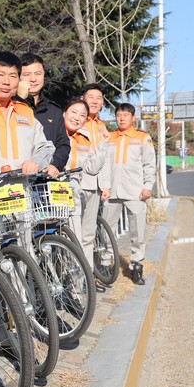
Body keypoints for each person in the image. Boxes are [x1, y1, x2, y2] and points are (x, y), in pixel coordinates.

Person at [104, 103, 156, 285]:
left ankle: (136, 266)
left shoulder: (142, 138)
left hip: (135, 191)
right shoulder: (109, 137)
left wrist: (148, 186)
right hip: (111, 191)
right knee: (107, 230)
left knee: (138, 231)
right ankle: (107, 263)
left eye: (126, 115)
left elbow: (149, 164)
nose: (122, 118)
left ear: (133, 118)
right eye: (119, 115)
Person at [62, 98, 109, 266]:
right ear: (64, 113)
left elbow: (91, 168)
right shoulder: (52, 132)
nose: (77, 117)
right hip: (50, 191)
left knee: (75, 239)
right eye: (73, 112)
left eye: (82, 115)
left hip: (73, 192)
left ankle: (78, 285)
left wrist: (103, 145)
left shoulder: (84, 137)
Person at [16, 53, 71, 178]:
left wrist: (55, 164)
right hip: (17, 177)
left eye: (38, 74)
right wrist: (20, 99)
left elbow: (63, 144)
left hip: (45, 181)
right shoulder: (9, 106)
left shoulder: (53, 110)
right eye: (27, 74)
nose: (33, 79)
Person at [78, 83, 112, 269]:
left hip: (95, 185)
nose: (95, 101)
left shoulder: (101, 126)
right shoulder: (76, 119)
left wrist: (105, 185)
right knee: (75, 232)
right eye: (91, 97)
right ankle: (74, 277)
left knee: (89, 232)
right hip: (78, 182)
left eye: (99, 98)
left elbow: (105, 158)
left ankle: (87, 275)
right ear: (83, 98)